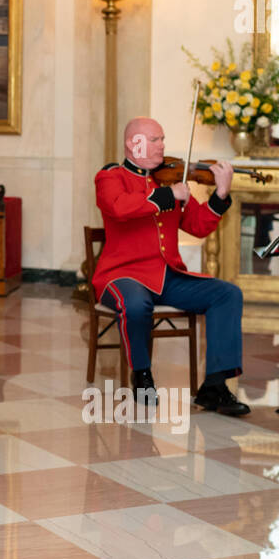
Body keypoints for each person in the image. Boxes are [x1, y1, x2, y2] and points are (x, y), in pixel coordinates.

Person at [92, 118, 249, 415]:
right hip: (121, 274)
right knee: (136, 305)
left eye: (162, 139)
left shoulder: (167, 181)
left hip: (167, 275)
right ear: (132, 143)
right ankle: (142, 375)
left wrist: (221, 194)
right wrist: (168, 196)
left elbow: (199, 226)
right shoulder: (110, 176)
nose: (161, 145)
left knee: (227, 294)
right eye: (153, 139)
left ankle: (214, 386)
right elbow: (119, 207)